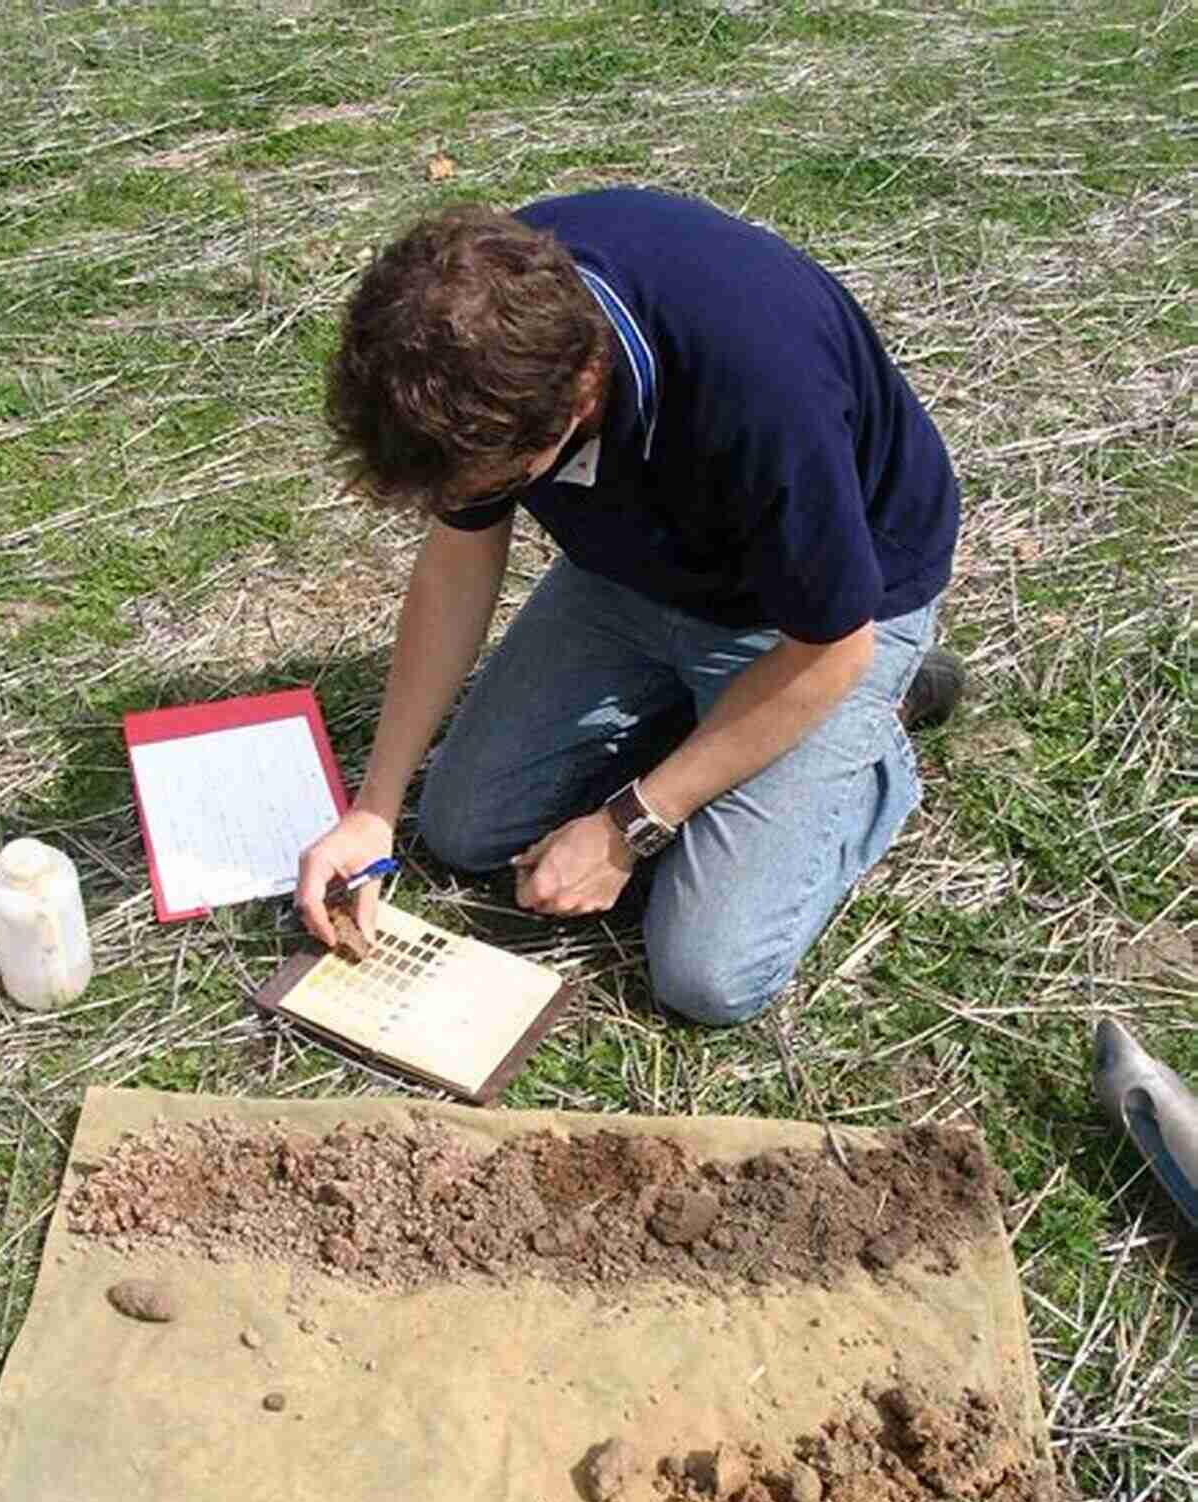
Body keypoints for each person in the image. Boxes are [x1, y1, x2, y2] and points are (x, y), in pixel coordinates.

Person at [296, 186, 964, 1025]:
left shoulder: (759, 381)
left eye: (503, 485)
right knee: (464, 825)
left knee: (705, 970)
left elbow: (829, 645)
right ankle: (706, 718)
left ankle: (878, 730)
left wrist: (630, 823)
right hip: (637, 574)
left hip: (817, 623)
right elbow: (459, 554)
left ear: (582, 393)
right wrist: (372, 809)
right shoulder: (473, 322)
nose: (479, 502)